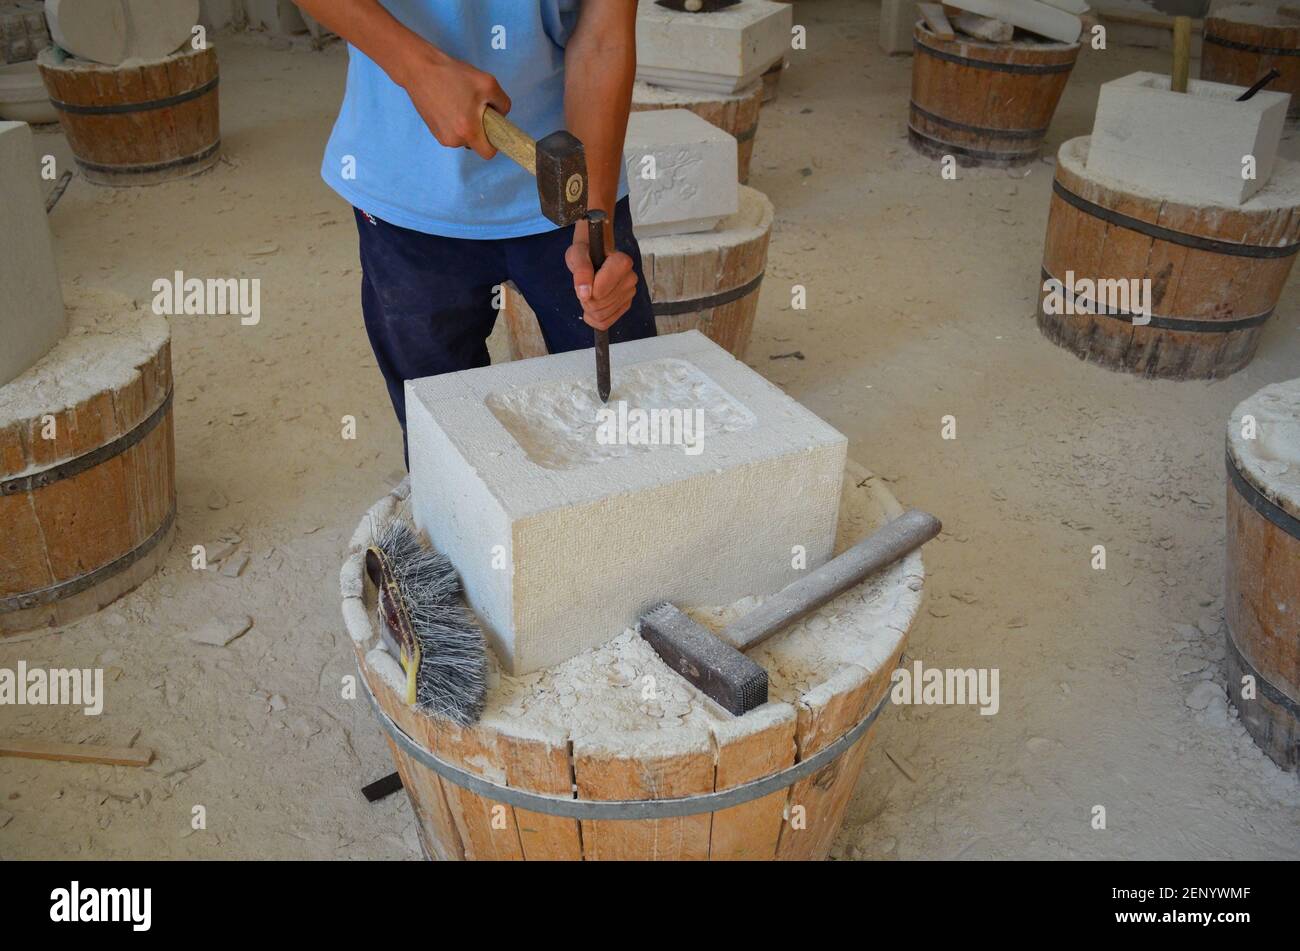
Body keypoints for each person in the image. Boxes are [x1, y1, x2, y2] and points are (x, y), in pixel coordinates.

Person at [298, 0, 655, 450]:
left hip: (572, 174)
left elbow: (603, 38)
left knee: (630, 410)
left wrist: (593, 217)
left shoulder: (582, 198)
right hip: (408, 187)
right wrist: (417, 67)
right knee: (447, 444)